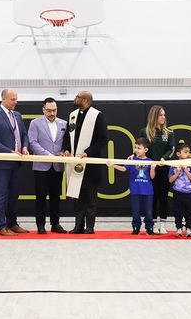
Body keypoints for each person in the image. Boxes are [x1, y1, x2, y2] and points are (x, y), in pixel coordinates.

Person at [63, 91, 108, 234]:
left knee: (90, 198)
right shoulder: (72, 115)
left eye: (77, 97)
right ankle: (78, 225)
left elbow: (103, 139)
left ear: (85, 101)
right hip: (75, 163)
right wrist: (67, 149)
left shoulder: (97, 116)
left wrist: (88, 151)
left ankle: (90, 226)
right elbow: (67, 136)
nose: (74, 99)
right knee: (77, 197)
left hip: (90, 164)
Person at [0, 88, 30, 236]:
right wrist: (9, 152)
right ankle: (1, 226)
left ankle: (12, 223)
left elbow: (24, 134)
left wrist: (24, 146)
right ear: (4, 99)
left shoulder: (17, 115)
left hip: (16, 163)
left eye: (16, 99)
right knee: (1, 194)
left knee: (14, 195)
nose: (15, 102)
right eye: (13, 99)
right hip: (1, 164)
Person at [27, 97, 68, 234]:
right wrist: (47, 155)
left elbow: (65, 143)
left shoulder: (64, 123)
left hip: (58, 165)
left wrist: (63, 152)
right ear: (43, 110)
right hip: (41, 166)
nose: (52, 113)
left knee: (56, 196)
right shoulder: (35, 123)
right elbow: (32, 142)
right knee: (41, 196)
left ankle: (55, 224)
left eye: (54, 110)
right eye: (49, 110)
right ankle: (40, 225)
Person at [107, 138, 157, 235]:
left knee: (149, 211)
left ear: (146, 150)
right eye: (135, 147)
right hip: (135, 190)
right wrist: (113, 165)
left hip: (148, 191)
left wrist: (153, 168)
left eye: (139, 148)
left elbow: (152, 176)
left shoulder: (150, 161)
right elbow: (124, 169)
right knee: (136, 211)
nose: (136, 150)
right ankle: (136, 227)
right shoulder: (132, 160)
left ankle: (149, 228)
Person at [139, 105, 175, 235]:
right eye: (161, 115)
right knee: (152, 198)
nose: (163, 117)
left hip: (164, 169)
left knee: (163, 197)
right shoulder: (144, 132)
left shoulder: (169, 132)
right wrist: (135, 155)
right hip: (150, 170)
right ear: (154, 116)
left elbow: (171, 149)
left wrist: (163, 159)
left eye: (164, 115)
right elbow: (140, 148)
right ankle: (152, 223)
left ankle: (163, 224)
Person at [167, 142, 191, 238]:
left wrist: (186, 170)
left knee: (189, 212)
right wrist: (178, 172)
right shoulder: (173, 165)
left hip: (189, 192)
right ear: (178, 154)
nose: (188, 154)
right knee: (177, 212)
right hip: (178, 192)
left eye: (189, 152)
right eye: (185, 152)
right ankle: (179, 228)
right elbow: (170, 180)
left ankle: (188, 229)